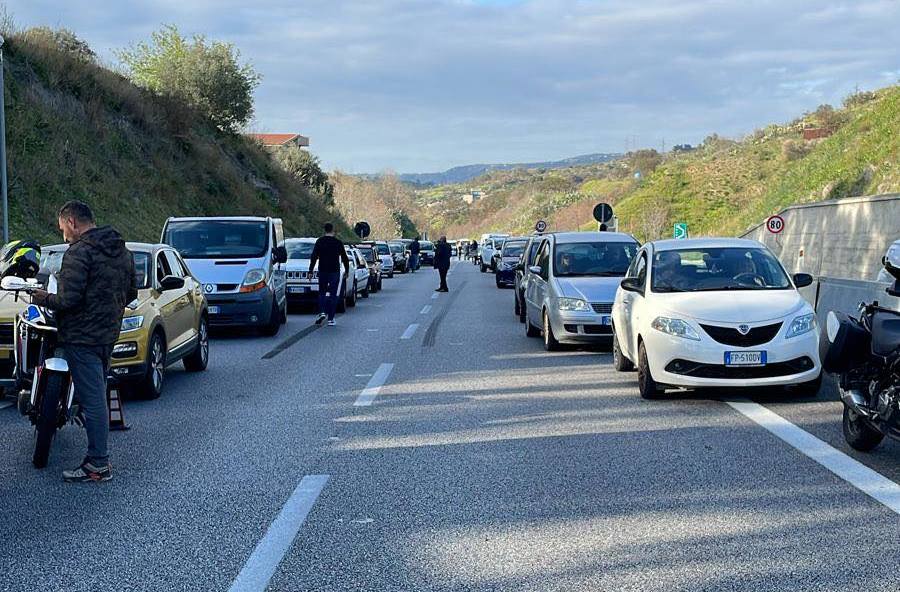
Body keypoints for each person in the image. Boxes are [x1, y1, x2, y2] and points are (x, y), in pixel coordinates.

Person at [31, 201, 136, 482]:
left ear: (73, 223)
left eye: (63, 228)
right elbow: (132, 292)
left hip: (80, 335)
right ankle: (95, 456)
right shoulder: (121, 250)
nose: (63, 235)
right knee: (95, 393)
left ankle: (98, 464)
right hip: (107, 334)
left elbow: (67, 299)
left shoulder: (79, 253)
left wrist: (42, 298)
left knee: (94, 401)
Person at [309, 222, 350, 327]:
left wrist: (310, 271)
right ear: (333, 230)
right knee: (333, 295)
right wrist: (347, 270)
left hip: (322, 270)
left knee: (322, 292)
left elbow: (314, 257)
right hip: (334, 271)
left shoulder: (320, 241)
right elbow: (345, 258)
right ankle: (331, 319)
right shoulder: (338, 242)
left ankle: (322, 312)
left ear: (325, 230)